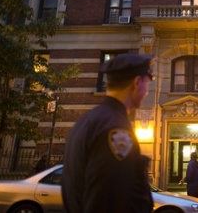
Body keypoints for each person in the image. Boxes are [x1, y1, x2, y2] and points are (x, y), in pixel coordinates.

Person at [61, 53, 155, 213]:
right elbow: (107, 200)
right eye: (147, 83)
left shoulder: (87, 120)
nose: (147, 91)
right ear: (137, 83)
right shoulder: (115, 129)